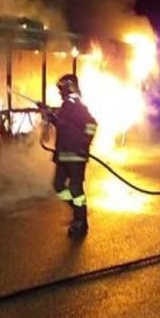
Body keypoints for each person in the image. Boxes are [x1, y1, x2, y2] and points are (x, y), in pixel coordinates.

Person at [39, 74, 98, 238]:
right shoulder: (67, 106)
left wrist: (85, 143)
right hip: (64, 155)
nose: (60, 92)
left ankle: (80, 221)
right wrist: (49, 115)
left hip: (76, 156)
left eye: (62, 89)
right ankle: (77, 210)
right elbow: (62, 124)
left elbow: (92, 124)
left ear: (69, 87)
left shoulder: (76, 105)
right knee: (58, 185)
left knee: (75, 188)